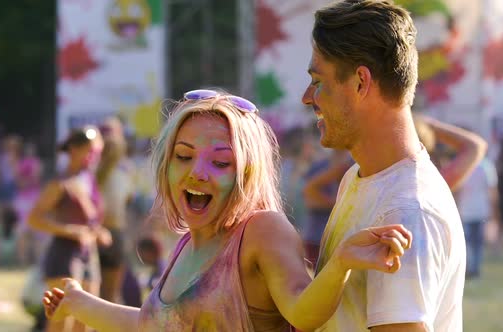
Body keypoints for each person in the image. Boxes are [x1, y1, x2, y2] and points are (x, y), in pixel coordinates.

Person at [42, 89, 412, 332]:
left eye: (220, 163)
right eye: (184, 156)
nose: (196, 172)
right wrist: (78, 302)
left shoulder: (261, 231)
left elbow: (303, 312)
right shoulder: (188, 243)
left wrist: (340, 265)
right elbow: (153, 325)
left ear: (247, 172)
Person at [301, 1, 465, 331]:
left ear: (361, 82)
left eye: (319, 81)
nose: (308, 97)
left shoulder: (408, 211)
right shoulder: (358, 177)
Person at [28, 125, 111, 332]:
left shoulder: (89, 179)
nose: (95, 157)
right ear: (74, 149)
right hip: (63, 256)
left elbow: (91, 219)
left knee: (86, 321)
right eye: (91, 151)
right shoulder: (60, 183)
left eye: (97, 152)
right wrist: (71, 231)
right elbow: (34, 219)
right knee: (60, 320)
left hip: (88, 255)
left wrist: (98, 231)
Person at [96, 118, 135, 303]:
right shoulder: (123, 173)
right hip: (106, 234)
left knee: (101, 298)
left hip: (104, 234)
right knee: (105, 298)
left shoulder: (92, 172)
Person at [302, 149, 353, 267]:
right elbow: (309, 200)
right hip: (317, 235)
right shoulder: (319, 166)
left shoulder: (356, 166)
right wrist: (338, 205)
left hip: (345, 237)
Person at [455, 156, 498, 279]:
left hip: (465, 209)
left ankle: (468, 268)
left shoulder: (464, 163)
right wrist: (494, 210)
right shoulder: (487, 166)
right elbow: (492, 190)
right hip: (481, 209)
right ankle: (475, 269)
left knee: (466, 242)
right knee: (477, 243)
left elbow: (457, 188)